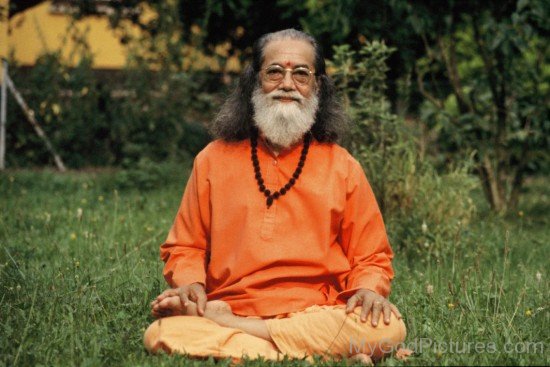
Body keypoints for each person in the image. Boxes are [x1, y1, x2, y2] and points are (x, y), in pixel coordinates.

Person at [144, 29, 407, 364]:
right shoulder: (212, 159)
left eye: (301, 74)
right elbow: (185, 247)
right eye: (274, 72)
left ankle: (237, 334)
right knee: (161, 334)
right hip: (236, 300)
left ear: (317, 87)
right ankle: (318, 354)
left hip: (316, 308)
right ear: (255, 83)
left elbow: (370, 255)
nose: (287, 84)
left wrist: (369, 290)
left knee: (389, 326)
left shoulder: (342, 166)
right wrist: (191, 285)